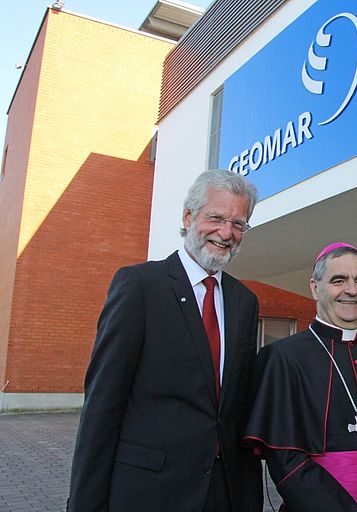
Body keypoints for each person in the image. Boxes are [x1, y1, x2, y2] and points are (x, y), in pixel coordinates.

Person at [68, 170, 262, 512]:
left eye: (238, 223)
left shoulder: (244, 302)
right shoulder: (139, 286)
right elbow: (103, 404)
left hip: (225, 493)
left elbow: (238, 404)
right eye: (215, 218)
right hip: (150, 492)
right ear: (188, 217)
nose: (226, 233)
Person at [245, 243, 357, 512]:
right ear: (315, 288)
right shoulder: (282, 357)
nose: (352, 290)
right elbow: (286, 459)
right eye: (338, 280)